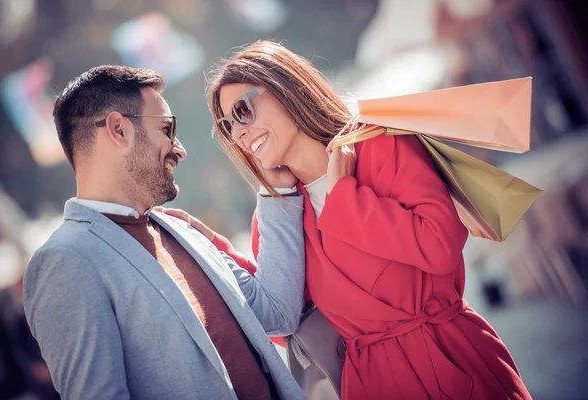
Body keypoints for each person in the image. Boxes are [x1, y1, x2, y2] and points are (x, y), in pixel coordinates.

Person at [167, 41, 533, 400]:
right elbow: (287, 318)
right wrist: (218, 256)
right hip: (370, 383)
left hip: (455, 362)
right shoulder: (277, 213)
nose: (240, 133)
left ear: (285, 88)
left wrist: (347, 200)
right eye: (228, 126)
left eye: (243, 111)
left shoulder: (379, 144)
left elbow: (440, 247)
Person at [22, 65, 308, 400]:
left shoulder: (178, 227)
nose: (179, 149)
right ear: (118, 130)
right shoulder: (65, 262)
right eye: (167, 129)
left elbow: (278, 313)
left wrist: (279, 195)